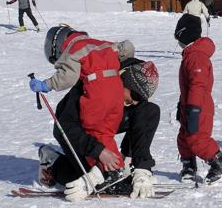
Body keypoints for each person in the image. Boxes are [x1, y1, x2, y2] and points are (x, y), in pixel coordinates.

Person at [28, 25, 136, 199]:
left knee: (94, 131)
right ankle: (111, 170)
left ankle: (106, 173)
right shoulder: (101, 44)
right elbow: (128, 47)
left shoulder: (73, 49)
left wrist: (46, 85)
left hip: (96, 95)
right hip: (116, 93)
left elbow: (68, 77)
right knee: (106, 132)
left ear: (57, 44)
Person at [38, 58, 160, 200]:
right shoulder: (92, 86)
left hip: (107, 120)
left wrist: (143, 167)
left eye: (141, 98)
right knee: (93, 181)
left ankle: (130, 164)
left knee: (149, 111)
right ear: (123, 80)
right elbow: (67, 128)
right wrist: (99, 152)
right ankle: (53, 164)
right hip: (73, 130)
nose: (135, 101)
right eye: (135, 95)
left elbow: (142, 114)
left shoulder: (133, 72)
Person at [174, 14, 222, 184]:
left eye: (178, 36)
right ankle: (189, 166)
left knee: (198, 138)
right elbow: (188, 86)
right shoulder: (191, 54)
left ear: (184, 35)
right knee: (184, 137)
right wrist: (182, 105)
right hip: (190, 104)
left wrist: (193, 109)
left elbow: (198, 86)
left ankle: (220, 164)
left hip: (199, 106)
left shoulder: (196, 57)